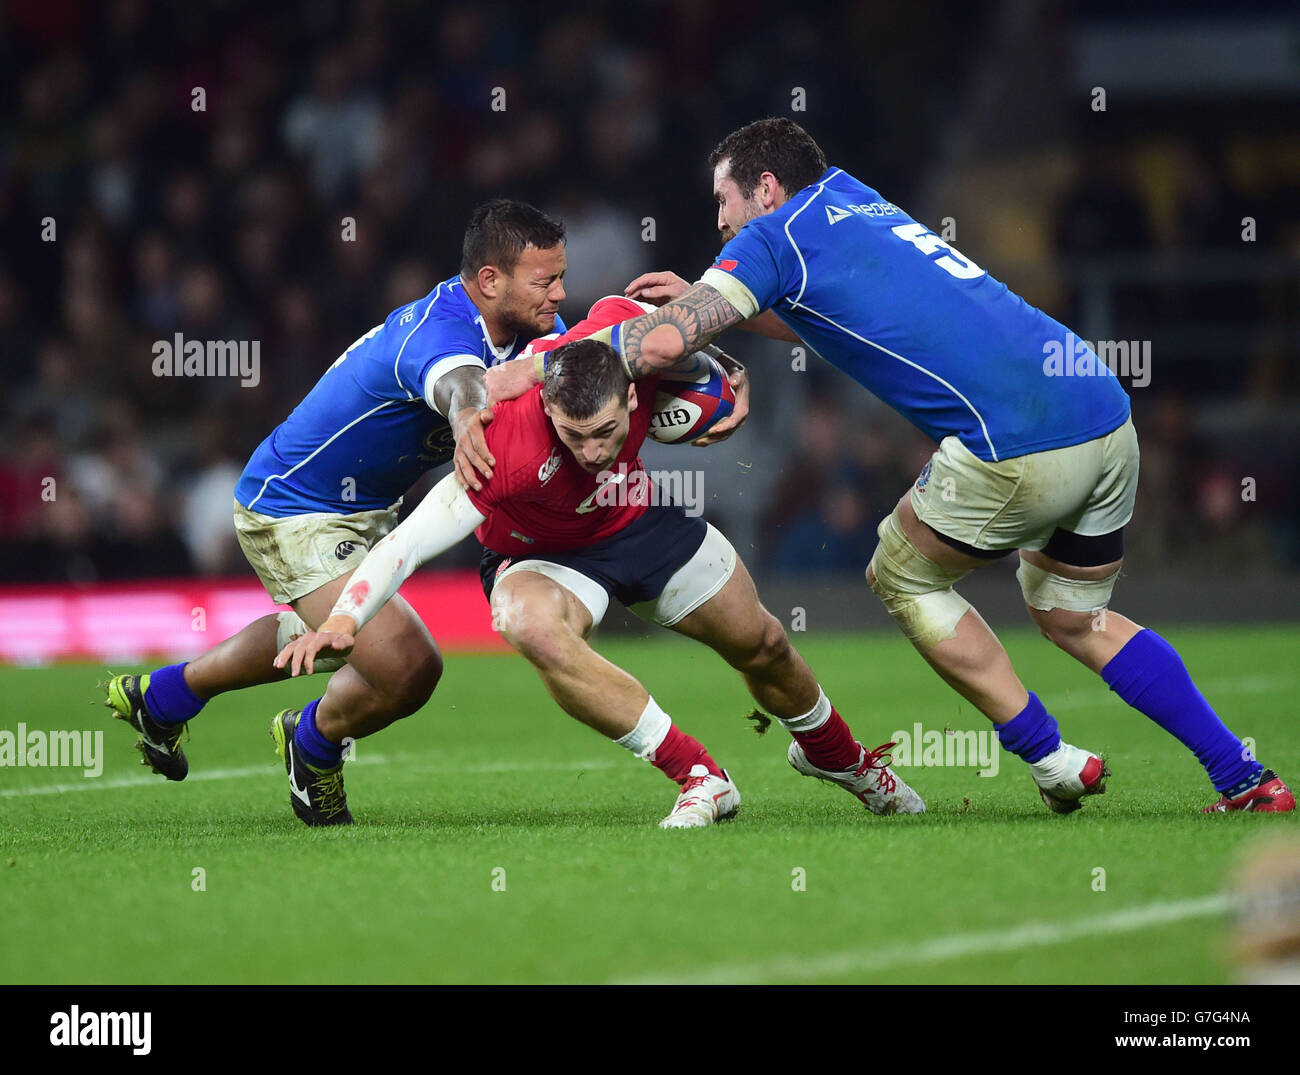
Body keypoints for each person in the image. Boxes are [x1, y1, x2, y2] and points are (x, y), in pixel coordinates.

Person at [485, 117, 1292, 815]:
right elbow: (832, 321)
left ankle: (1052, 758)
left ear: (766, 188)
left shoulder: (774, 235)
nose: (722, 225)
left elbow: (658, 346)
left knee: (900, 573)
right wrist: (700, 308)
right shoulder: (856, 198)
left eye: (725, 204)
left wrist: (564, 352)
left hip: (1017, 442)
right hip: (1104, 415)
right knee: (1075, 614)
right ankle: (1244, 774)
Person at [278, 303, 925, 828]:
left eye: (607, 432)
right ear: (549, 408)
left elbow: (707, 320)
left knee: (763, 643)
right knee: (526, 622)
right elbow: (405, 545)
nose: (592, 449)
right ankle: (700, 775)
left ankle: (841, 759)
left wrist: (727, 376)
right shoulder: (500, 440)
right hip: (537, 551)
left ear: (629, 389)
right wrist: (343, 615)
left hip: (632, 519)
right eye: (574, 434)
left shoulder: (634, 336)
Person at [104, 200, 568, 826]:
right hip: (294, 507)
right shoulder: (440, 335)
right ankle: (312, 744)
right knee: (408, 666)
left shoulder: (518, 329)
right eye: (546, 281)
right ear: (490, 281)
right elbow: (459, 385)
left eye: (560, 276)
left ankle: (163, 697)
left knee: (323, 641)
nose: (560, 293)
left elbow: (588, 351)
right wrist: (467, 417)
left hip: (360, 509)